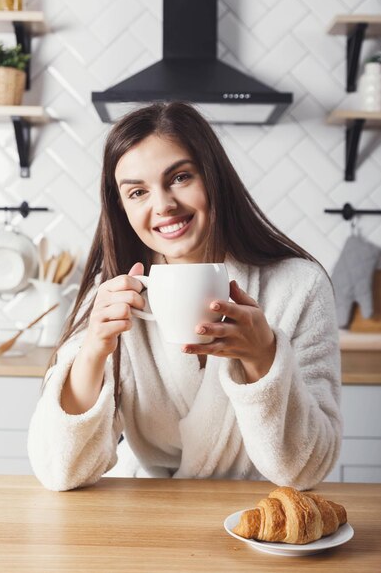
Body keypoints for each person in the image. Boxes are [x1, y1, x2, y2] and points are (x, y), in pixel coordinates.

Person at [27, 102, 342, 492]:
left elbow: (307, 470)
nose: (163, 205)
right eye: (138, 192)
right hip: (148, 514)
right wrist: (93, 351)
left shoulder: (299, 287)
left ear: (214, 178)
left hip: (258, 516)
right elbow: (59, 470)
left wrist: (264, 358)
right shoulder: (114, 296)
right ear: (121, 207)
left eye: (179, 177)